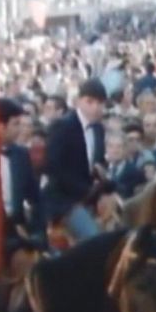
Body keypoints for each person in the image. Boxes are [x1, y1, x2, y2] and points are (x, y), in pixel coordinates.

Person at [44, 78, 107, 242]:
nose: (95, 108)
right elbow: (53, 167)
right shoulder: (62, 126)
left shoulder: (98, 129)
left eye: (100, 103)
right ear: (79, 101)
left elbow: (96, 163)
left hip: (90, 197)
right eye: (90, 102)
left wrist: (101, 177)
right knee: (94, 238)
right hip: (63, 200)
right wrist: (85, 190)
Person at [0, 98, 46, 256]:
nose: (21, 130)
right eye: (16, 124)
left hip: (16, 229)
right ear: (0, 126)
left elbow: (35, 198)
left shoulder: (21, 154)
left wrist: (38, 232)